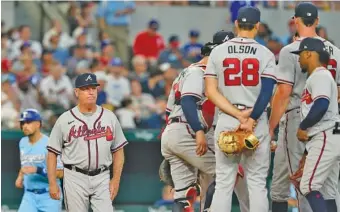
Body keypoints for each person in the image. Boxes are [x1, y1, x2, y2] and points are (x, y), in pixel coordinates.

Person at [162, 30, 249, 212]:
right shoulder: (199, 72)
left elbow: (169, 111)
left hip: (174, 131)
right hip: (189, 131)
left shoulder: (186, 72)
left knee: (184, 195)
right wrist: (199, 131)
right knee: (228, 173)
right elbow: (188, 101)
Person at [269, 3, 340, 212]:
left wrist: (270, 127)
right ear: (317, 21)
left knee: (302, 183)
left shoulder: (290, 50)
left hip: (300, 117)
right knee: (327, 188)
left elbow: (283, 93)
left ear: (295, 20)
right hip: (330, 120)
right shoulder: (335, 51)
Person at [204, 6, 277, 212]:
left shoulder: (218, 51)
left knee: (224, 184)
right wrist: (250, 119)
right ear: (257, 26)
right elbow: (266, 93)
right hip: (256, 121)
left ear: (236, 24)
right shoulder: (266, 53)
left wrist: (236, 115)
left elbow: (211, 91)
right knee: (257, 184)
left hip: (227, 118)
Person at [46, 73, 128, 212]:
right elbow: (52, 153)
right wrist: (52, 183)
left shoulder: (109, 117)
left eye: (93, 88)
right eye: (85, 88)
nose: (90, 92)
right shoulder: (65, 119)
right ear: (76, 92)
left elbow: (118, 151)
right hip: (74, 177)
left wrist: (115, 179)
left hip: (102, 176)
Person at [290, 37, 340, 212]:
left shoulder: (319, 75)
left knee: (308, 187)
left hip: (325, 134)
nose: (299, 59)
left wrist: (303, 126)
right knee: (327, 193)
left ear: (309, 53)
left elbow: (321, 104)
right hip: (329, 136)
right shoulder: (322, 76)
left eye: (301, 54)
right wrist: (306, 153)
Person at [15, 109, 63, 212]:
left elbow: (60, 173)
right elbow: (26, 165)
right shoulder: (22, 142)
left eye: (28, 122)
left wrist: (38, 170)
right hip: (29, 196)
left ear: (38, 124)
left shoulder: (50, 143)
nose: (25, 126)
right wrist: (20, 176)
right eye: (22, 123)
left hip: (49, 195)